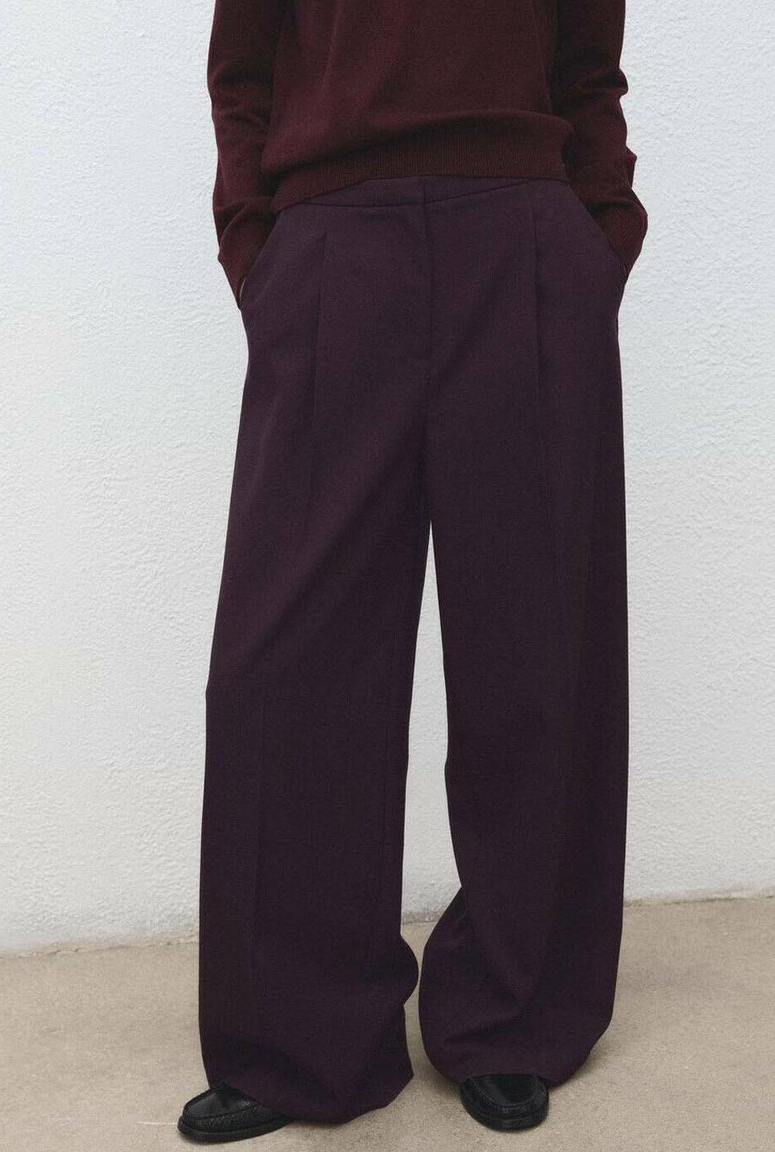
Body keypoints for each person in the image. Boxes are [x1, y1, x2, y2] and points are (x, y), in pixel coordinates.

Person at [178, 0, 648, 1141]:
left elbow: (588, 70)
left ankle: (513, 1013)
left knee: (536, 649)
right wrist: (259, 243)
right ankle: (296, 1036)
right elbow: (243, 70)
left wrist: (597, 239)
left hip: (524, 235)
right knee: (286, 667)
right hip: (331, 241)